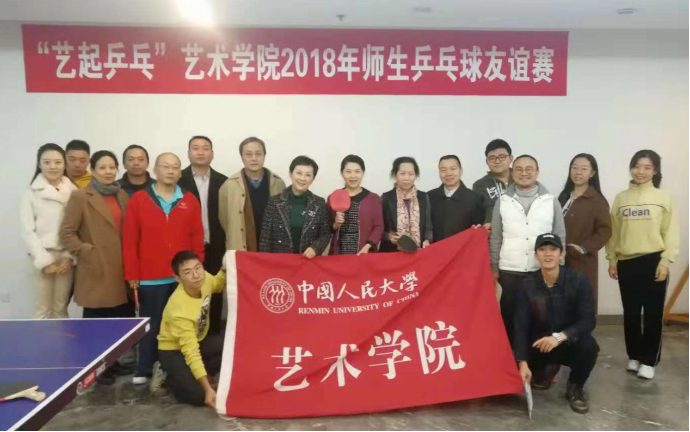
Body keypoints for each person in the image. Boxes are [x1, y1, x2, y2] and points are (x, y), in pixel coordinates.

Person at [123, 153, 205, 386]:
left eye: (175, 167)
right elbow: (130, 240)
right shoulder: (139, 199)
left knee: (182, 325)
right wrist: (132, 274)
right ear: (155, 170)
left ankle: (177, 368)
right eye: (165, 167)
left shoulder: (189, 199)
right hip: (150, 277)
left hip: (181, 277)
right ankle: (145, 368)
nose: (170, 171)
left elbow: (197, 237)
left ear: (180, 172)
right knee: (152, 324)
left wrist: (196, 271)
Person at [60, 150, 133, 385]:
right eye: (102, 167)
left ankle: (113, 362)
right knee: (97, 322)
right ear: (93, 170)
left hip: (120, 268)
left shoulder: (121, 194)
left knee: (117, 319)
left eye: (112, 167)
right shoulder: (81, 196)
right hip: (96, 267)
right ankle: (96, 368)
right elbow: (67, 232)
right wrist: (86, 251)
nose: (108, 172)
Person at [606, 150, 679, 380]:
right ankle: (635, 356)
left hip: (654, 261)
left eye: (647, 167)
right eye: (637, 166)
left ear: (655, 171)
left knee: (652, 315)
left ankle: (649, 361)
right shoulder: (621, 198)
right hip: (627, 262)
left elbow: (670, 232)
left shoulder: (663, 198)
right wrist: (612, 258)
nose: (641, 171)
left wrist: (665, 261)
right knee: (631, 314)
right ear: (631, 168)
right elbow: (614, 232)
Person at [515, 234, 599, 415]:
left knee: (589, 346)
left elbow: (588, 320)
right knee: (527, 374)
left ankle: (575, 387)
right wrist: (522, 362)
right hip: (540, 345)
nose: (548, 254)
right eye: (542, 249)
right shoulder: (526, 285)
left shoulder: (578, 280)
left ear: (561, 255)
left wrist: (560, 337)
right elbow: (520, 325)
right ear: (536, 255)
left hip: (567, 341)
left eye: (553, 249)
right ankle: (547, 368)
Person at [489, 155, 566, 348]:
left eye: (529, 169)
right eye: (519, 169)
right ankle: (512, 360)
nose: (524, 173)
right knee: (510, 318)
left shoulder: (550, 201)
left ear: (537, 172)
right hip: (510, 270)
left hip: (540, 270)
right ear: (512, 173)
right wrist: (494, 266)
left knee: (540, 319)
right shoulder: (503, 201)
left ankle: (538, 361)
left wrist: (559, 267)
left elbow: (560, 235)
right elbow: (496, 237)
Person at [155, 251, 227, 406]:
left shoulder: (204, 278)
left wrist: (226, 267)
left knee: (230, 347)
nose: (196, 275)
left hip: (198, 340)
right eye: (187, 272)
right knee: (198, 396)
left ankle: (194, 373)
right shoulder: (179, 308)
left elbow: (218, 284)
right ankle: (166, 373)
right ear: (178, 279)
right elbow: (191, 351)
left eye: (197, 267)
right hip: (173, 351)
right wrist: (207, 389)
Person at [20, 143, 78, 319]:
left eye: (58, 162)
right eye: (47, 162)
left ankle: (62, 339)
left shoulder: (74, 192)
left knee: (60, 308)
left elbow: (79, 228)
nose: (53, 166)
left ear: (64, 164)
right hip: (41, 256)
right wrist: (44, 261)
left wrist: (69, 257)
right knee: (43, 310)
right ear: (39, 164)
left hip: (66, 257)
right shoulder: (30, 193)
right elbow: (27, 231)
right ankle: (42, 340)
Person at [178, 136, 228, 335]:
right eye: (195, 148)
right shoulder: (178, 180)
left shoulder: (224, 182)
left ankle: (213, 337)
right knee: (187, 293)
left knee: (214, 293)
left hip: (216, 247)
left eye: (205, 148)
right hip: (187, 248)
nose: (200, 152)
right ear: (188, 153)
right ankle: (188, 336)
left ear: (212, 154)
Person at [558, 154, 612, 313]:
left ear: (592, 173)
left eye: (584, 168)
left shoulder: (597, 200)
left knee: (581, 302)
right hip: (559, 259)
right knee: (561, 303)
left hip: (582, 261)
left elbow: (605, 231)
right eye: (574, 168)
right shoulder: (563, 196)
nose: (578, 172)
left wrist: (583, 248)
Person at [219, 137, 286, 253]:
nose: (254, 158)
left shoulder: (278, 183)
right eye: (248, 154)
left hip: (273, 247)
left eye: (258, 154)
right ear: (242, 157)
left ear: (264, 155)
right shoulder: (229, 185)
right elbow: (224, 220)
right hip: (241, 246)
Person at [259, 156, 331, 258]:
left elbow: (325, 234)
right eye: (299, 173)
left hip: (308, 261)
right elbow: (265, 239)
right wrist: (264, 261)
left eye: (308, 175)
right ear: (290, 174)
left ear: (313, 179)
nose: (302, 178)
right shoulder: (274, 202)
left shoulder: (319, 203)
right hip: (279, 261)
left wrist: (315, 248)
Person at [329, 155, 384, 255]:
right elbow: (326, 228)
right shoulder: (333, 197)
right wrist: (336, 225)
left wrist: (368, 246)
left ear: (363, 173)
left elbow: (378, 226)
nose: (353, 176)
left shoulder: (373, 199)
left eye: (357, 171)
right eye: (348, 171)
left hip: (364, 253)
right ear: (342, 173)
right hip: (338, 254)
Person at [380, 157, 433, 253]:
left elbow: (428, 227)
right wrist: (388, 237)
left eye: (411, 174)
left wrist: (427, 240)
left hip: (419, 252)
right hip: (392, 252)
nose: (407, 178)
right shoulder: (386, 198)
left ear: (415, 175)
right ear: (395, 175)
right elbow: (378, 229)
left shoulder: (423, 197)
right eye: (402, 174)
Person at [429, 155, 484, 242]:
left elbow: (479, 232)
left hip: (464, 249)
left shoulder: (474, 198)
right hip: (435, 249)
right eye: (443, 170)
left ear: (461, 171)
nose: (448, 173)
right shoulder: (430, 197)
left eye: (453, 169)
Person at [473, 139, 514, 229]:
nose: (497, 161)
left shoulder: (522, 179)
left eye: (502, 157)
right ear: (487, 161)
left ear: (511, 158)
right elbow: (477, 216)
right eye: (492, 158)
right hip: (493, 235)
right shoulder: (480, 185)